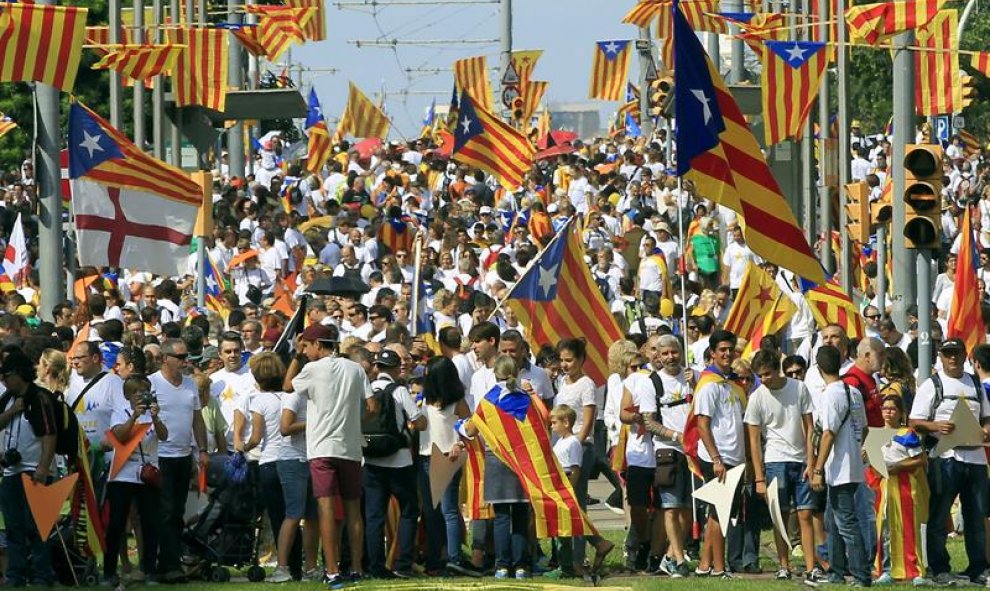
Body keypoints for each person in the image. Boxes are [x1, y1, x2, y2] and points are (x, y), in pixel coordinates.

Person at [286, 324, 373, 590]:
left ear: (316, 345)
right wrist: (354, 424)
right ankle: (356, 569)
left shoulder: (311, 368)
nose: (306, 350)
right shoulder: (355, 368)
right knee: (353, 509)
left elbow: (288, 385)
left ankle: (333, 571)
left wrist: (296, 355)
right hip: (349, 448)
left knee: (325, 507)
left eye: (307, 346)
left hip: (322, 448)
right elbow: (372, 406)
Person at [908, 338, 990, 586]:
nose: (952, 358)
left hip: (975, 457)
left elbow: (987, 416)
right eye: (948, 353)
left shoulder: (974, 382)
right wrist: (936, 426)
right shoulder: (932, 385)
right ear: (940, 357)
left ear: (965, 356)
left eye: (956, 353)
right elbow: (914, 421)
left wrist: (986, 430)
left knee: (976, 516)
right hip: (945, 457)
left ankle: (978, 567)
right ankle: (939, 566)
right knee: (940, 514)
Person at [745, 349, 817, 583]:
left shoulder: (799, 388)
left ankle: (811, 566)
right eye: (760, 376)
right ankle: (783, 565)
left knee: (805, 513)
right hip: (775, 460)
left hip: (801, 460)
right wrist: (758, 478)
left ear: (777, 369)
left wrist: (811, 460)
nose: (763, 380)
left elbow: (810, 428)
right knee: (780, 516)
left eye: (767, 374)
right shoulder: (757, 397)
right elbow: (754, 441)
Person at [810, 345, 871, 587]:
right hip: (852, 464)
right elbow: (864, 428)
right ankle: (836, 572)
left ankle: (861, 575)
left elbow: (828, 433)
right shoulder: (853, 391)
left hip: (839, 468)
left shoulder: (830, 394)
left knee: (846, 522)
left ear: (818, 367)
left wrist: (817, 468)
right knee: (832, 521)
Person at [363, 349, 426, 579]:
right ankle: (402, 563)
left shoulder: (367, 389)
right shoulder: (399, 391)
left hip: (370, 459)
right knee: (409, 510)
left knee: (374, 516)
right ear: (395, 369)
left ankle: (376, 566)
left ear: (377, 367)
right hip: (399, 460)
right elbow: (419, 422)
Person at [151, 338, 209, 583]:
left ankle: (169, 563)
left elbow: (197, 419)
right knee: (165, 511)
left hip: (183, 456)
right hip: (160, 456)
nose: (186, 362)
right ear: (165, 358)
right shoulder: (152, 383)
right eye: (181, 357)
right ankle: (167, 565)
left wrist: (203, 450)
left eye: (187, 357)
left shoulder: (189, 385)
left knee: (177, 512)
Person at [416, 356, 479, 577]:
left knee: (449, 510)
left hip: (448, 457)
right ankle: (436, 558)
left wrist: (459, 444)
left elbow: (471, 427)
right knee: (431, 512)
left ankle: (454, 557)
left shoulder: (456, 401)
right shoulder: (423, 399)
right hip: (425, 457)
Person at [0, 348, 58, 587]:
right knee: (13, 526)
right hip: (11, 471)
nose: (4, 379)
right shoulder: (7, 399)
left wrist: (43, 468)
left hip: (34, 469)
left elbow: (49, 435)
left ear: (20, 374)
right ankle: (16, 574)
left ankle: (42, 574)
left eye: (8, 375)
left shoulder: (41, 398)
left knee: (37, 526)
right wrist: (13, 411)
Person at [103, 374, 168, 585]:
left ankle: (149, 569)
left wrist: (156, 418)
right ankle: (110, 571)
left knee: (150, 521)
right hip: (122, 472)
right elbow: (118, 436)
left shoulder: (152, 414)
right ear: (128, 395)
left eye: (144, 391)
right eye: (136, 392)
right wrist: (133, 417)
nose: (141, 396)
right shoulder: (119, 412)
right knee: (117, 522)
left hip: (147, 472)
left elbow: (165, 436)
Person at [693, 329, 747, 578]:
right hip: (717, 457)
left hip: (735, 456)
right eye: (722, 350)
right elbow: (702, 424)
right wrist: (716, 459)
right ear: (712, 353)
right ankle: (719, 567)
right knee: (718, 511)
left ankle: (705, 564)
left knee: (723, 513)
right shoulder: (707, 385)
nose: (727, 354)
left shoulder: (736, 384)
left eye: (730, 349)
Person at [546, 404, 614, 581]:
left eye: (554, 423)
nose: (552, 426)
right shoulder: (560, 442)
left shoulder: (573, 443)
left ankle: (571, 563)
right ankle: (590, 548)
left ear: (566, 422)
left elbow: (575, 469)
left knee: (570, 525)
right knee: (570, 525)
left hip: (568, 484)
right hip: (559, 485)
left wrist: (569, 490)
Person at [872, 395, 928, 585]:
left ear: (901, 413)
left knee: (909, 528)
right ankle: (887, 568)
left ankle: (916, 570)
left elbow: (921, 460)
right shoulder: (876, 435)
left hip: (905, 486)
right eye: (885, 408)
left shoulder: (907, 434)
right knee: (885, 528)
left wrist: (899, 466)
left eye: (893, 409)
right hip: (884, 487)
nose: (888, 412)